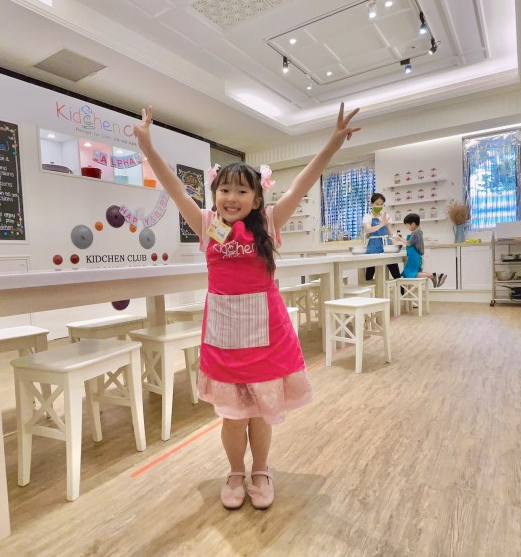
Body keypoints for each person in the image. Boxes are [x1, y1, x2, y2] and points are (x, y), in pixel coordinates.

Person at [134, 102, 361, 510]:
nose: (231, 197)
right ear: (215, 195)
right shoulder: (206, 223)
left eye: (241, 190)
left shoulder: (270, 221)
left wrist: (332, 144)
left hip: (266, 334)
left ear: (257, 199)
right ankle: (235, 472)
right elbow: (173, 187)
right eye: (224, 189)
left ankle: (261, 470)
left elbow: (303, 183)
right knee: (232, 416)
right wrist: (148, 147)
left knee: (260, 412)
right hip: (224, 336)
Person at [362, 193, 401, 281]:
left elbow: (390, 233)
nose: (379, 206)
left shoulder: (386, 216)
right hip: (374, 246)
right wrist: (381, 224)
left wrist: (395, 245)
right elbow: (368, 230)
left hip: (387, 245)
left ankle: (401, 289)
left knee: (395, 271)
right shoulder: (367, 217)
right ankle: (369, 289)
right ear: (371, 204)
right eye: (377, 204)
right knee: (370, 273)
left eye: (381, 204)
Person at [402, 213, 446, 288]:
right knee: (415, 273)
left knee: (408, 274)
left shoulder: (415, 232)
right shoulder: (419, 231)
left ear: (413, 224)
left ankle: (434, 275)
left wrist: (399, 239)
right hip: (416, 257)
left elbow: (409, 243)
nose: (406, 227)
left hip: (414, 257)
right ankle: (435, 275)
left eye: (407, 225)